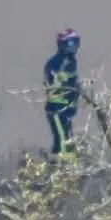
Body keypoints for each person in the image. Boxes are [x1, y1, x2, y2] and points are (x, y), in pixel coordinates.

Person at [42, 27, 83, 156]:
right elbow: (53, 86)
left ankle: (70, 163)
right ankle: (60, 165)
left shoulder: (72, 61)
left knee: (68, 138)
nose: (73, 47)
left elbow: (73, 84)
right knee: (62, 140)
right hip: (57, 109)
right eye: (69, 43)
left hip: (67, 108)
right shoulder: (56, 62)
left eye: (75, 42)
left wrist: (75, 97)